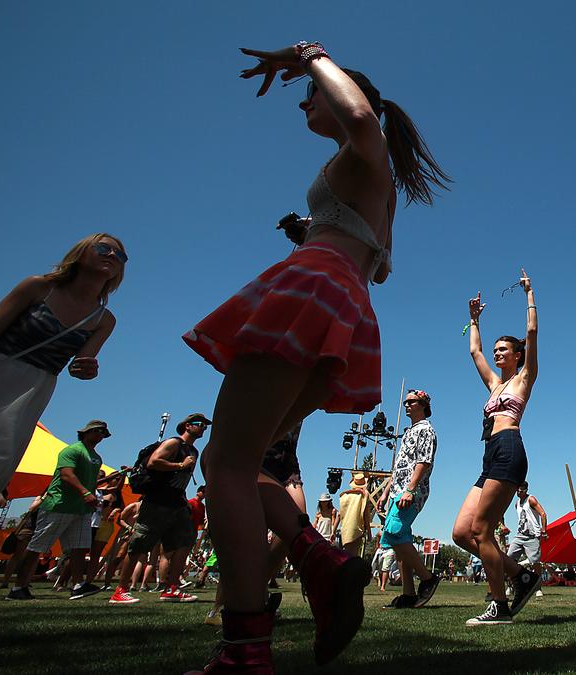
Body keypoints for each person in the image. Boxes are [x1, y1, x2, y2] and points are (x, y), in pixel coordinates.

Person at [183, 40, 449, 672]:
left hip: (311, 287)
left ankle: (246, 651)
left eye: (312, 94)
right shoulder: (376, 187)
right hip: (343, 300)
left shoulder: (365, 145)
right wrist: (317, 233)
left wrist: (307, 54)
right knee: (243, 463)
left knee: (224, 464)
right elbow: (378, 270)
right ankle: (322, 560)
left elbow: (359, 118)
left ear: (335, 91)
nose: (305, 103)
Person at [0, 234, 123, 554]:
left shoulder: (103, 320)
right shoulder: (37, 288)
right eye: (103, 248)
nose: (111, 255)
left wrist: (86, 369)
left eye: (119, 255)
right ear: (81, 253)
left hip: (27, 399)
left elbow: (80, 364)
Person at [451, 269, 541, 626]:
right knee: (461, 533)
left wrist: (529, 294)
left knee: (483, 531)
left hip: (509, 449)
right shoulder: (493, 385)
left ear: (517, 355)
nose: (496, 353)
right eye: (496, 349)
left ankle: (499, 606)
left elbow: (532, 332)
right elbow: (474, 350)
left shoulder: (523, 379)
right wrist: (473, 320)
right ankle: (521, 574)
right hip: (489, 456)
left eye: (503, 349)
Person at [108, 413, 208, 605]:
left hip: (177, 503)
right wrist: (180, 464)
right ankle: (121, 590)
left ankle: (171, 587)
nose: (203, 427)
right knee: (139, 544)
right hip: (157, 501)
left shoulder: (193, 451)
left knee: (184, 541)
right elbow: (154, 462)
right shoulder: (174, 443)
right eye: (199, 424)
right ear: (187, 426)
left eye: (205, 425)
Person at [10, 420, 110, 601]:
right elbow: (66, 474)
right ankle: (18, 587)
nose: (101, 436)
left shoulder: (96, 457)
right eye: (98, 431)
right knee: (37, 547)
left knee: (80, 548)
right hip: (60, 504)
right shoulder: (72, 450)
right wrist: (85, 492)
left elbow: (89, 480)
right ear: (87, 432)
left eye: (103, 433)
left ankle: (78, 585)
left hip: (81, 508)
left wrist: (92, 493)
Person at [378, 389, 440, 610]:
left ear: (423, 405)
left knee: (394, 533)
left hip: (411, 490)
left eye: (411, 402)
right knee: (399, 540)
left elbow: (424, 461)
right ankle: (408, 593)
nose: (406, 405)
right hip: (396, 490)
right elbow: (399, 466)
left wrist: (410, 490)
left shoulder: (426, 430)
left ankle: (427, 578)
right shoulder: (408, 431)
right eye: (405, 402)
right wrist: (386, 492)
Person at [507, 481, 549, 599]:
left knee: (535, 562)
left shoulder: (531, 500)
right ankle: (511, 586)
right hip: (520, 535)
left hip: (532, 536)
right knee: (509, 559)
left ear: (525, 490)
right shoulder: (517, 504)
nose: (518, 492)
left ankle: (538, 588)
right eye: (517, 490)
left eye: (521, 490)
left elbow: (543, 514)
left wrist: (543, 530)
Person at [338, 472, 377, 557]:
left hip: (345, 529)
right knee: (353, 556)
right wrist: (369, 533)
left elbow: (339, 514)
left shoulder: (345, 496)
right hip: (356, 529)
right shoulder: (362, 497)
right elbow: (366, 516)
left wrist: (334, 531)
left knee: (346, 555)